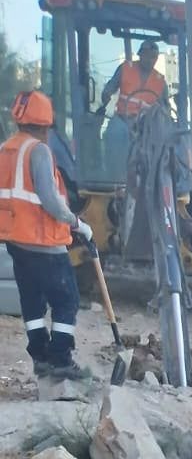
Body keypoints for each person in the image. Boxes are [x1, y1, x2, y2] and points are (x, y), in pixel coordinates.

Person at [0, 91, 92, 381]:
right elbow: (50, 200)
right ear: (45, 124)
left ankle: (40, 357)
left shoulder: (7, 149)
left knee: (33, 301)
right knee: (67, 300)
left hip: (16, 240)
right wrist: (76, 222)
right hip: (44, 243)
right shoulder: (38, 151)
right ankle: (61, 359)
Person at [98, 41, 166, 121]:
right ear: (140, 55)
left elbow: (165, 107)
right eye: (147, 55)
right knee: (114, 132)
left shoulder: (160, 81)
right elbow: (109, 89)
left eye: (153, 57)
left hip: (147, 124)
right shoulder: (125, 69)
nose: (150, 60)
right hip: (122, 119)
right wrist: (106, 97)